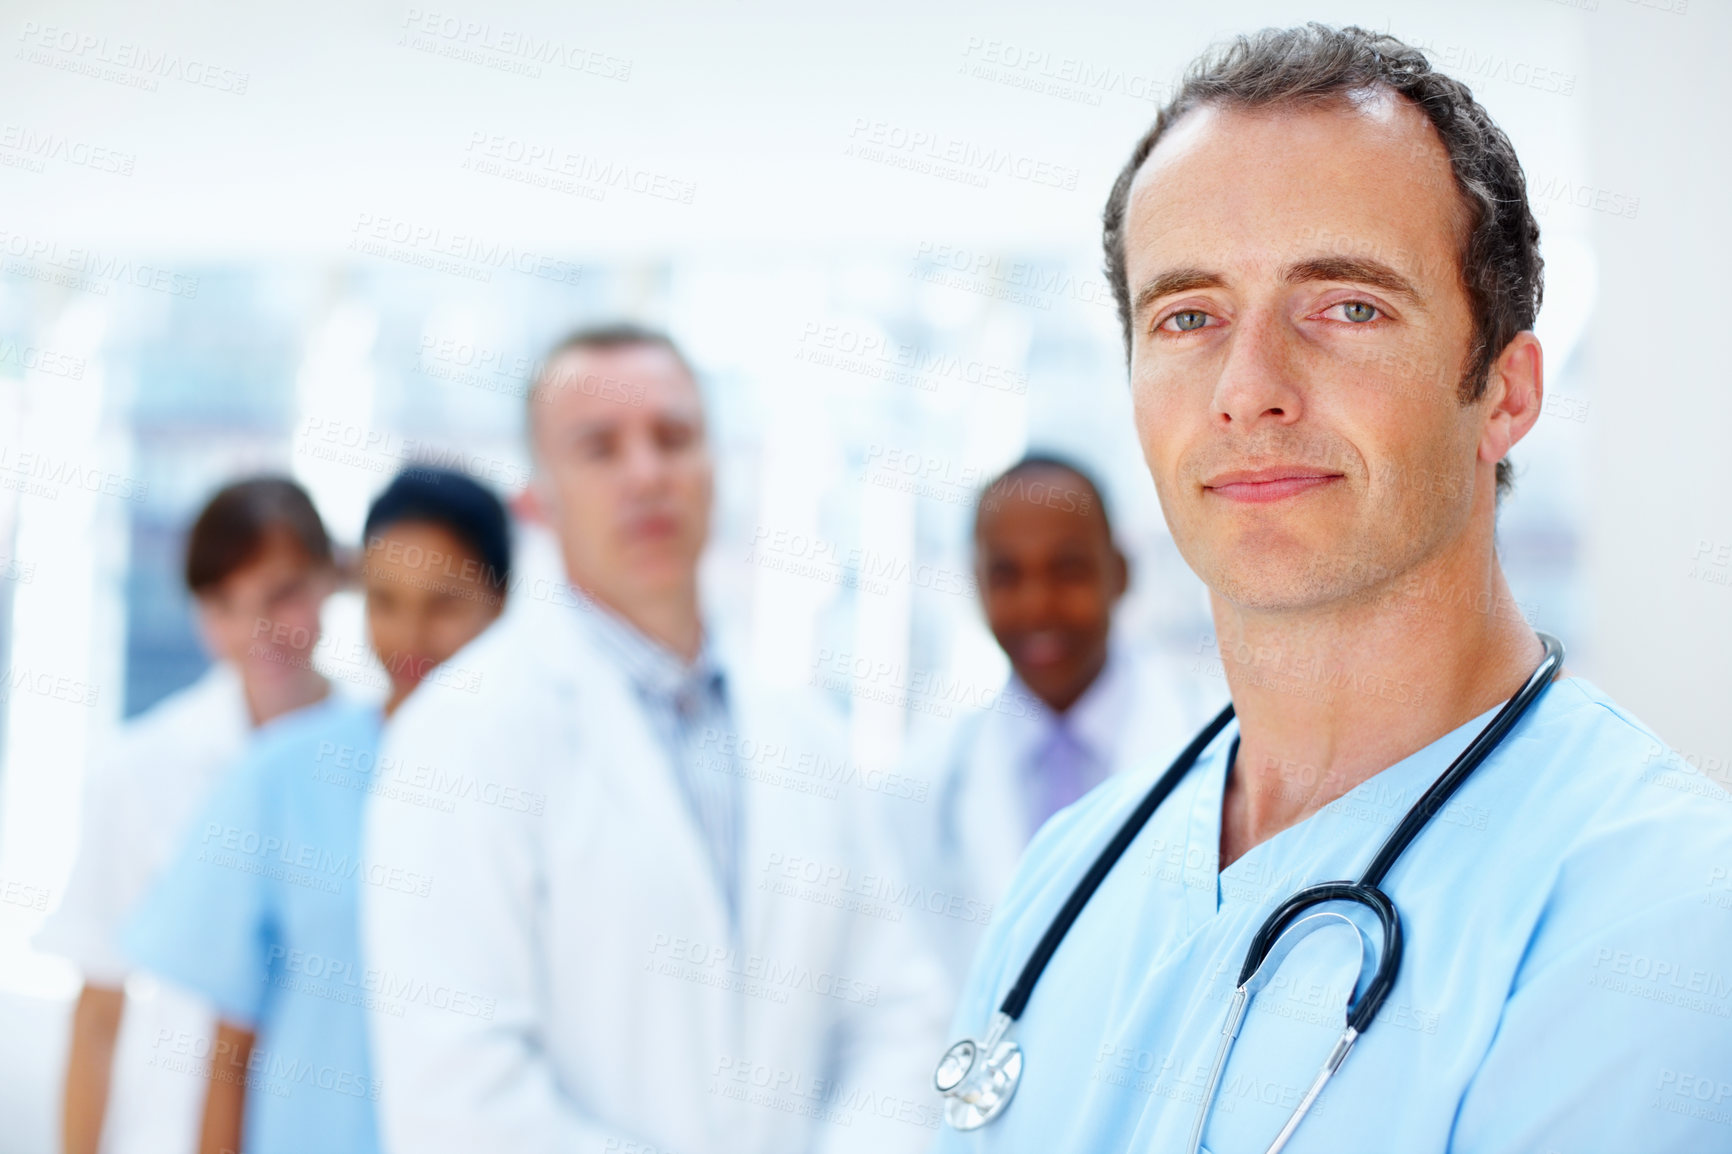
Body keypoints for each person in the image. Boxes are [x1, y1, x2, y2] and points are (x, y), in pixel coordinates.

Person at [931, 24, 1732, 1152]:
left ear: (1502, 391)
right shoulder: (1068, 874)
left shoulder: (1667, 919)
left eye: (1346, 306)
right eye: (1188, 316)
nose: (1247, 390)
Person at [362, 325, 949, 1154]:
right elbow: (456, 1099)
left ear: (715, 466)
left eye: (673, 438)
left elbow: (897, 1015)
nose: (647, 473)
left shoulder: (806, 736)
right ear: (539, 497)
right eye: (599, 448)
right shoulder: (460, 736)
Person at [118, 467, 511, 1154]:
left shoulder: (546, 792)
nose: (411, 635)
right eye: (385, 602)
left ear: (500, 605)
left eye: (444, 603)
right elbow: (232, 1046)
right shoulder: (286, 777)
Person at [36, 477, 337, 1154]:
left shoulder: (383, 761)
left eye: (282, 594)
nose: (258, 630)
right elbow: (98, 1016)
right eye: (226, 604)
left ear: (330, 580)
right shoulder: (139, 769)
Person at [918, 455, 1209, 980]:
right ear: (978, 586)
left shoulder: (1211, 751)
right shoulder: (930, 780)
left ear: (1119, 574)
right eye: (1007, 576)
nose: (1038, 607)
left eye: (1068, 571)